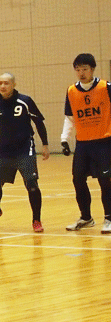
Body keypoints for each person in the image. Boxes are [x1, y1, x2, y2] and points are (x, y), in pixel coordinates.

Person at [0, 73, 50, 232]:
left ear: (13, 84)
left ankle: (36, 220)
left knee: (32, 185)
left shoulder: (25, 101)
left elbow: (39, 122)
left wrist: (45, 144)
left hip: (25, 149)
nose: (3, 86)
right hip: (4, 151)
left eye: (6, 83)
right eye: (0, 83)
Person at [61, 53, 111, 233]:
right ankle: (86, 217)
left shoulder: (106, 87)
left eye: (85, 69)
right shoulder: (71, 91)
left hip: (104, 142)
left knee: (105, 181)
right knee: (78, 179)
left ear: (92, 69)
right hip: (83, 144)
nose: (81, 73)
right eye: (78, 70)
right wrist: (64, 138)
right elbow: (70, 117)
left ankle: (109, 218)